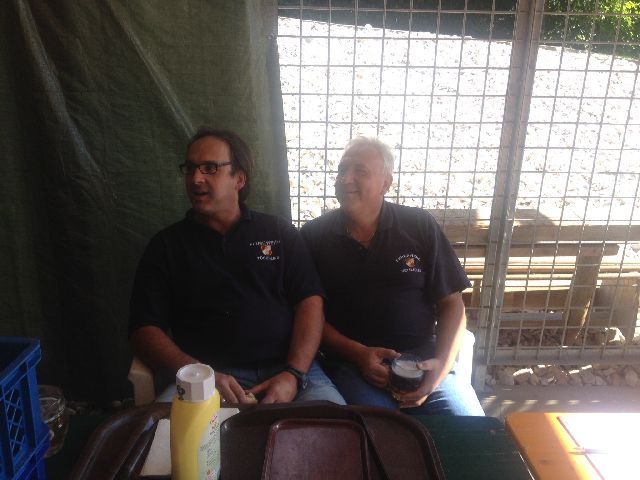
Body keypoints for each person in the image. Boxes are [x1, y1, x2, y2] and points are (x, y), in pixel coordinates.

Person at [129, 127, 344, 405]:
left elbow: (310, 302)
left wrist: (293, 373)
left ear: (239, 179)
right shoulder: (166, 246)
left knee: (337, 426)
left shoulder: (278, 232)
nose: (195, 179)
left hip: (291, 372)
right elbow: (143, 330)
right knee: (165, 432)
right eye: (190, 168)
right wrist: (201, 375)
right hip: (204, 379)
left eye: (210, 168)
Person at [300, 137, 484, 415]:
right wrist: (359, 354)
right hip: (352, 368)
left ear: (386, 183)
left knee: (468, 428)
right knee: (382, 430)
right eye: (342, 170)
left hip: (423, 361)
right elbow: (307, 315)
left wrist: (440, 368)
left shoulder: (419, 226)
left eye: (360, 171)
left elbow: (452, 304)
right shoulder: (314, 236)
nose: (345, 179)